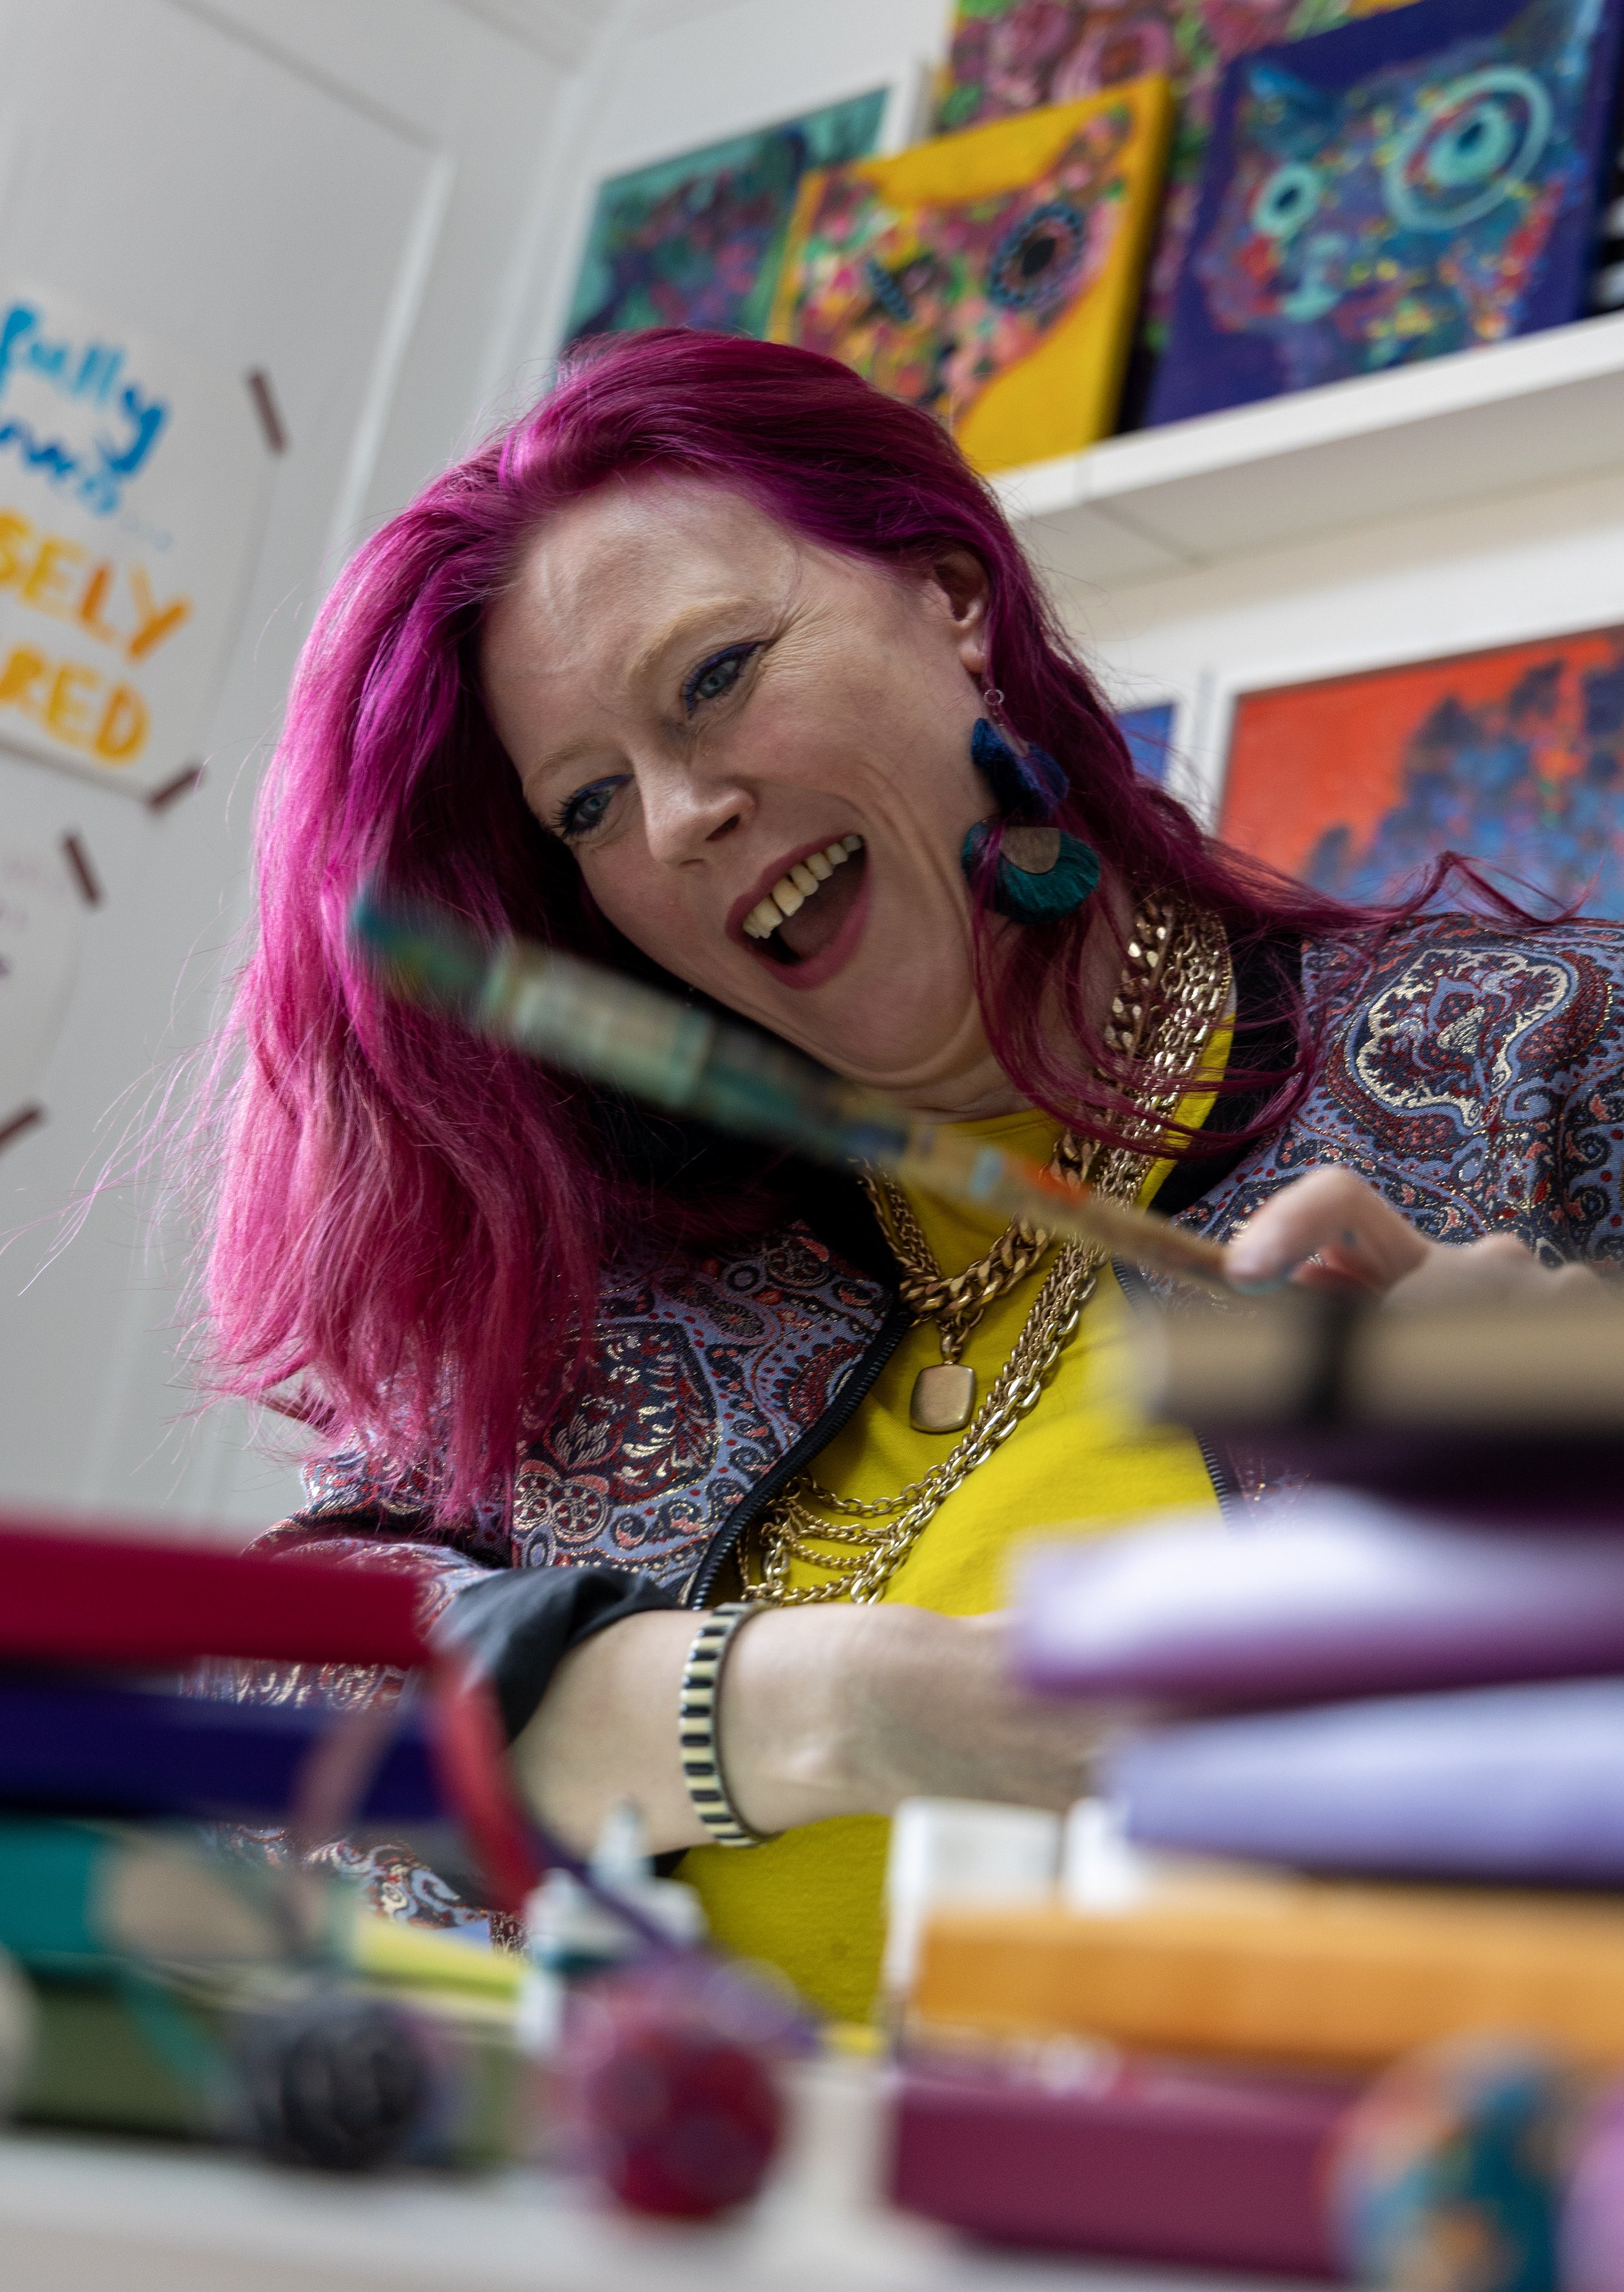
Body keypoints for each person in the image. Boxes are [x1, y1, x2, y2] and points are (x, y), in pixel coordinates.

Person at [205, 330, 1624, 2019]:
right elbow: (270, 1693)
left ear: (951, 598)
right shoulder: (621, 1275)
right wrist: (828, 1703)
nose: (674, 819)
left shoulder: (1533, 1061)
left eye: (715, 678)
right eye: (588, 804)